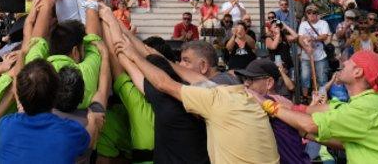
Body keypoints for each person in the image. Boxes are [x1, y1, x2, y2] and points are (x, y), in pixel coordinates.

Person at [117, 35, 282, 164]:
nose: (180, 65)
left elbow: (163, 83)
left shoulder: (214, 96)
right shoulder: (228, 87)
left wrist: (132, 55)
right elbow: (170, 65)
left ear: (203, 66)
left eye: (186, 61)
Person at [271, 50, 378, 163]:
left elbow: (310, 124)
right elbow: (344, 132)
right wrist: (296, 110)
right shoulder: (371, 100)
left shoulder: (364, 107)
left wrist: (270, 105)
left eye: (349, 63)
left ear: (358, 72)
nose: (344, 63)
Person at [0, 60, 91, 164]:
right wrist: (93, 118)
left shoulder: (5, 124)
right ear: (56, 95)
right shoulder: (70, 132)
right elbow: (88, 139)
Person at [295, 6, 331, 95]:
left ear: (317, 14)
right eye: (309, 13)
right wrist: (307, 48)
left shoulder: (323, 23)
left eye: (314, 13)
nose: (311, 15)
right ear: (306, 14)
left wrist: (312, 38)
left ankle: (322, 97)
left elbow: (324, 36)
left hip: (319, 56)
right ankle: (305, 97)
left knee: (322, 78)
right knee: (305, 78)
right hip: (306, 56)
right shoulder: (303, 24)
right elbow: (300, 38)